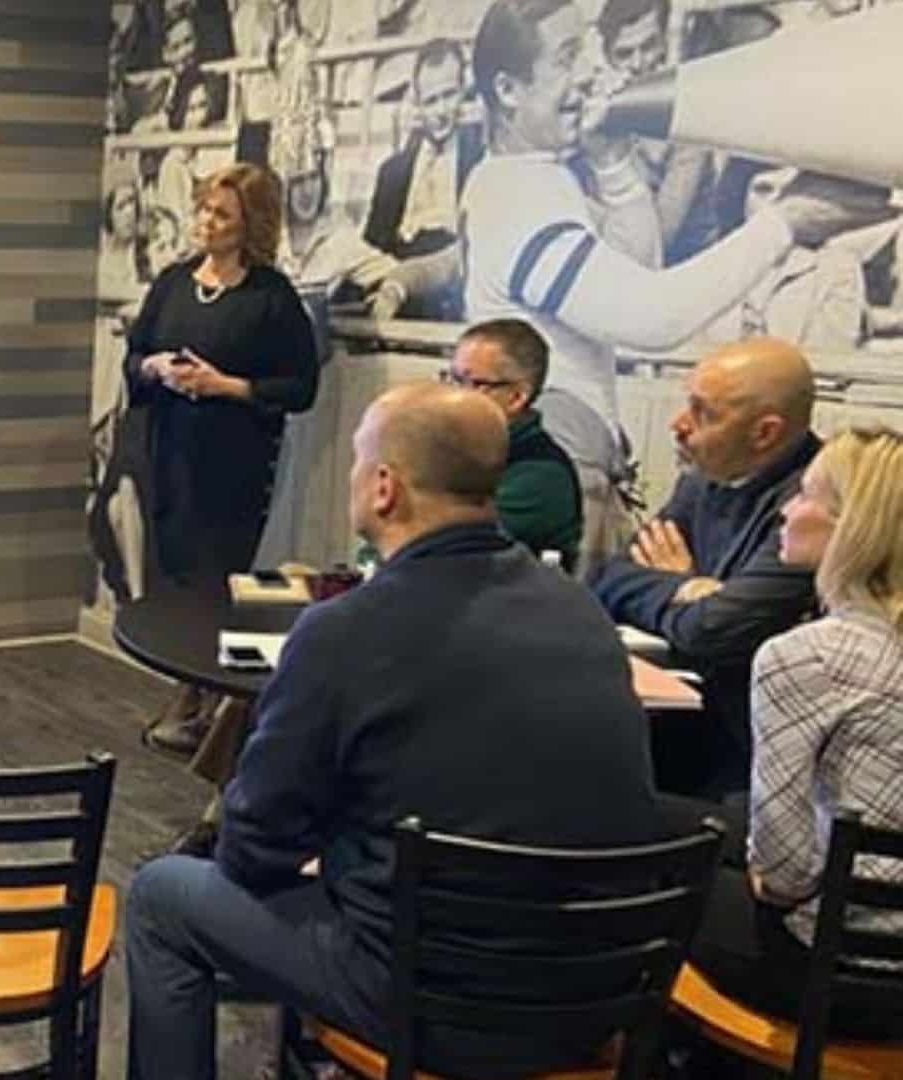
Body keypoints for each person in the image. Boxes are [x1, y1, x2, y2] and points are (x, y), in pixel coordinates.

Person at [124, 384, 664, 1079]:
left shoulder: (343, 631)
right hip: (593, 994)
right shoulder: (577, 609)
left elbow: (252, 847)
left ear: (383, 487)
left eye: (355, 460)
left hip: (430, 1001)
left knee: (161, 897)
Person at [460, 0, 882, 570]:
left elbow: (637, 267)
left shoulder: (532, 182)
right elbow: (651, 318)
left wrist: (614, 169)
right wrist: (786, 223)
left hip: (575, 450)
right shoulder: (518, 199)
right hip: (561, 452)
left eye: (585, 49)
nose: (587, 71)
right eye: (565, 57)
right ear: (508, 89)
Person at [684, 424, 903, 1037]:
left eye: (805, 495)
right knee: (706, 824)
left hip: (846, 969)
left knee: (650, 876)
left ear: (849, 528)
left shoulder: (806, 657)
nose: (786, 509)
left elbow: (785, 878)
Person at [123, 163, 318, 753]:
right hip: (170, 450)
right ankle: (186, 692)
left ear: (250, 225)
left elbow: (300, 387)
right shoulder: (175, 282)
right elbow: (136, 357)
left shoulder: (272, 297)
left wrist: (226, 386)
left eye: (221, 214)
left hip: (235, 462)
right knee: (176, 568)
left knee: (217, 576)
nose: (206, 223)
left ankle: (198, 699)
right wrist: (155, 368)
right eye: (204, 209)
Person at [590, 337, 822, 797]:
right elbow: (610, 579)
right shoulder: (704, 480)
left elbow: (712, 631)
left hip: (750, 760)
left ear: (765, 433)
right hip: (686, 722)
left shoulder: (814, 507)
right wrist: (688, 587)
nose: (679, 426)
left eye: (703, 413)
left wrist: (679, 590)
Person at [442, 319, 583, 569]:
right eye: (452, 380)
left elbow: (438, 540)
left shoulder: (542, 475)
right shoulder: (454, 451)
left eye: (473, 384)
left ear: (517, 397)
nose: (454, 396)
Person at [358, 39, 483, 319]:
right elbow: (372, 244)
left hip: (453, 291)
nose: (440, 112)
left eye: (449, 95)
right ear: (417, 103)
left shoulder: (480, 161)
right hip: (396, 287)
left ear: (463, 92)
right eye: (431, 101)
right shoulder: (393, 171)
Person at [594, 0, 719, 264]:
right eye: (625, 54)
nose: (639, 63)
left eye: (649, 46)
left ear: (664, 42)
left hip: (688, 268)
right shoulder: (598, 109)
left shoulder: (688, 114)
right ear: (607, 56)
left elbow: (659, 240)